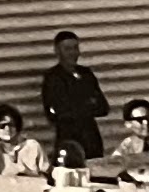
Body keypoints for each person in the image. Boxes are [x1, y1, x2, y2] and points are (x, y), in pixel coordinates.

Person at [39, 30, 110, 162]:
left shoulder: (86, 74)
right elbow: (55, 114)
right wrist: (87, 103)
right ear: (57, 51)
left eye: (75, 48)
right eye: (67, 49)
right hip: (68, 139)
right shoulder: (53, 78)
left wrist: (75, 105)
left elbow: (103, 107)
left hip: (91, 139)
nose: (72, 53)